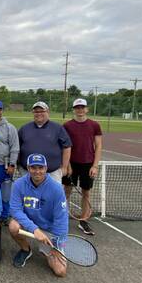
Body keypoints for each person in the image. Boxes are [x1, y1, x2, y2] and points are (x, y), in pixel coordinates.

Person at [9, 153, 69, 277]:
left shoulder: (57, 189)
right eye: (33, 167)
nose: (37, 171)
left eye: (40, 168)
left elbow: (61, 220)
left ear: (46, 169)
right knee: (13, 226)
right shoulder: (19, 184)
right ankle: (26, 250)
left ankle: (47, 249)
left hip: (49, 229)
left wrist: (57, 246)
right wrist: (34, 229)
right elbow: (15, 210)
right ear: (28, 168)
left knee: (60, 271)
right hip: (30, 225)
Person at [63, 98, 102, 236]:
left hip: (88, 164)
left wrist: (95, 165)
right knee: (66, 191)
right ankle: (63, 219)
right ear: (74, 109)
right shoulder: (67, 125)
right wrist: (67, 165)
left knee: (86, 193)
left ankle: (83, 221)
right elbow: (65, 146)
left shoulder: (94, 125)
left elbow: (98, 146)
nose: (80, 110)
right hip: (71, 164)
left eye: (82, 107)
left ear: (87, 109)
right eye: (77, 107)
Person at [18, 101, 71, 183]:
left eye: (42, 111)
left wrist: (64, 167)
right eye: (36, 111)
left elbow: (67, 147)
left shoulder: (57, 128)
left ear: (48, 112)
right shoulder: (24, 128)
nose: (39, 113)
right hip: (28, 173)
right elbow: (16, 148)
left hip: (52, 173)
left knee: (52, 195)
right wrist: (18, 166)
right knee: (29, 196)